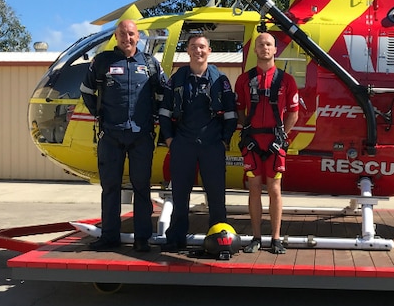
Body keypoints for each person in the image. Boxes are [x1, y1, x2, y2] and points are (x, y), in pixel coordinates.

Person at [80, 19, 166, 252]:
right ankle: (110, 237)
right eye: (122, 34)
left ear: (138, 37)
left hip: (141, 136)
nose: (126, 38)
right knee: (110, 187)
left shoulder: (150, 64)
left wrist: (155, 117)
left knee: (141, 187)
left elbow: (163, 92)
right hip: (111, 135)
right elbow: (87, 91)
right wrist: (100, 115)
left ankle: (142, 238)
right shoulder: (102, 61)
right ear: (116, 37)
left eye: (131, 34)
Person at [158, 34, 237, 252]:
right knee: (180, 194)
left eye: (202, 47)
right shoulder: (177, 79)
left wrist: (224, 141)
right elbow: (164, 112)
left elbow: (231, 114)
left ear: (209, 50)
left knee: (216, 196)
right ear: (188, 51)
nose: (198, 51)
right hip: (183, 144)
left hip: (213, 145)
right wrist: (170, 139)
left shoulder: (221, 80)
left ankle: (219, 239)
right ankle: (175, 238)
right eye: (193, 47)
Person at [235, 33, 299, 254]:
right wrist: (248, 130)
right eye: (260, 44)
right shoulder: (244, 79)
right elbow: (239, 110)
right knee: (253, 188)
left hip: (275, 144)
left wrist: (282, 135)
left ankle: (276, 238)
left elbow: (294, 113)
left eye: (269, 44)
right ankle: (256, 237)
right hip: (252, 143)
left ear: (275, 50)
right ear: (255, 50)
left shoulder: (287, 80)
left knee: (274, 189)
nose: (264, 48)